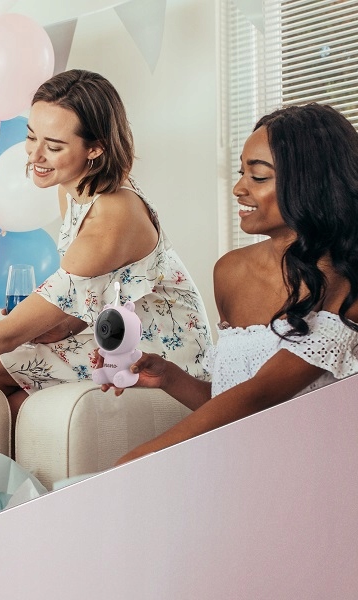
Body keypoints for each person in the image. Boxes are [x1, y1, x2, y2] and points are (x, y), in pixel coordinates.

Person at [0, 70, 212, 426]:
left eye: (54, 147)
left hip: (164, 350)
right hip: (123, 329)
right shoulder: (72, 191)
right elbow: (102, 292)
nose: (35, 155)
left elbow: (10, 333)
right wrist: (62, 326)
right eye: (31, 137)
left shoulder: (110, 222)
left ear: (95, 148)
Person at [103, 102, 358, 465]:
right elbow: (232, 402)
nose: (238, 188)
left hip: (315, 470)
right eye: (241, 172)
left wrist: (135, 461)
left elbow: (261, 394)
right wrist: (170, 378)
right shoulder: (231, 272)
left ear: (312, 184)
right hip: (240, 464)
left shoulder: (348, 282)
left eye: (258, 176)